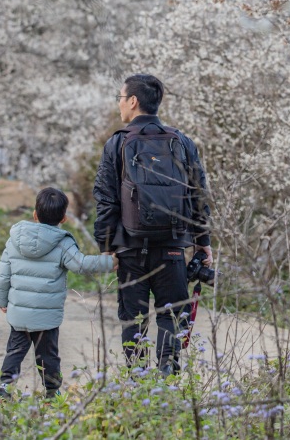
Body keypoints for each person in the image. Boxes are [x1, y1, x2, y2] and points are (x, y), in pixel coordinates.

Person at [93, 73, 212, 375]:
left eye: (120, 98)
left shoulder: (118, 143)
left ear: (132, 102)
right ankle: (167, 384)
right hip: (172, 248)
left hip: (129, 250)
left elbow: (106, 200)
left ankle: (138, 386)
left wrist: (107, 247)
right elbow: (198, 196)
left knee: (133, 320)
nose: (120, 104)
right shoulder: (182, 142)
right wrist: (203, 243)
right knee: (171, 318)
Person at [0, 187, 116, 399]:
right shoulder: (62, 242)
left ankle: (5, 386)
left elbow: (3, 273)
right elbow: (81, 265)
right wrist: (110, 261)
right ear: (64, 218)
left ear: (34, 214)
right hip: (46, 316)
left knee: (15, 351)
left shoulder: (15, 238)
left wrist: (1, 300)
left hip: (19, 314)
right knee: (48, 356)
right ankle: (52, 391)